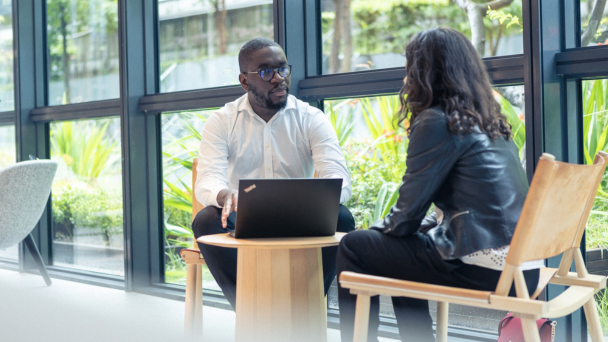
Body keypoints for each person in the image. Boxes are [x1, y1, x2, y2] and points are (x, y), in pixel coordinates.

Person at [336, 28, 542, 342]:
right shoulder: (488, 120)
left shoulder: (437, 120)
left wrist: (376, 231)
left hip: (489, 267)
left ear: (421, 72)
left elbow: (405, 216)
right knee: (401, 253)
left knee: (354, 245)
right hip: (526, 267)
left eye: (409, 68)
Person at [192, 37, 355, 310]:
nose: (279, 78)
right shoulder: (222, 120)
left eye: (283, 69)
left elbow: (338, 178)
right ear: (244, 81)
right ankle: (250, 309)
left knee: (341, 216)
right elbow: (208, 178)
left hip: (301, 219)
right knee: (206, 220)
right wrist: (224, 194)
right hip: (243, 220)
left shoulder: (311, 118)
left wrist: (321, 195)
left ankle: (310, 304)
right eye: (266, 72)